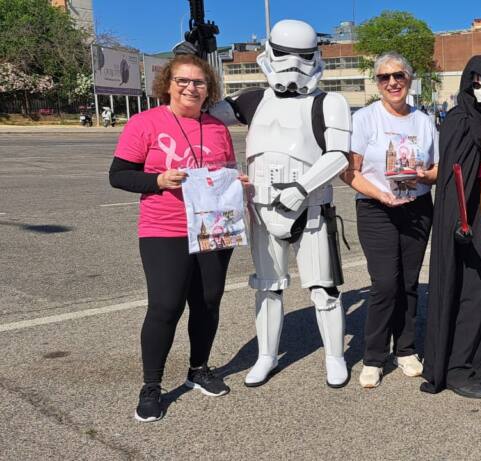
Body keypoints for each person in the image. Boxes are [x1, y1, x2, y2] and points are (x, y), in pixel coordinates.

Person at [208, 20, 352, 389]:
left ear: (316, 57)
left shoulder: (328, 102)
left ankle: (335, 356)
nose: (293, 64)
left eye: (303, 56)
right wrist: (201, 54)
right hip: (260, 209)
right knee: (267, 287)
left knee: (323, 290)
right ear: (268, 53)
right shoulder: (252, 100)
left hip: (310, 209)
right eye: (285, 54)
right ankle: (266, 356)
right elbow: (201, 113)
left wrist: (302, 188)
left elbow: (338, 157)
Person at [109, 53, 245, 422]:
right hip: (164, 228)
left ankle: (198, 368)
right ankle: (151, 385)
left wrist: (237, 182)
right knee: (166, 306)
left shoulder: (217, 128)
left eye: (199, 82)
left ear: (209, 88)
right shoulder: (145, 123)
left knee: (208, 301)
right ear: (167, 85)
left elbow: (226, 173)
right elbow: (119, 175)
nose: (191, 87)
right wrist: (156, 180)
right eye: (182, 81)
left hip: (212, 229)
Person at [340, 52, 437, 388]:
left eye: (399, 75)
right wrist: (381, 194)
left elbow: (438, 169)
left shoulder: (424, 121)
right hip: (376, 207)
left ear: (409, 78)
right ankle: (374, 355)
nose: (393, 82)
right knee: (384, 283)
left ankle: (406, 348)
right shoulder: (365, 119)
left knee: (409, 282)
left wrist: (425, 175)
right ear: (377, 83)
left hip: (417, 207)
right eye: (385, 77)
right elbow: (348, 171)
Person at [420, 55, 481, 399]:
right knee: (463, 290)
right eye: (477, 83)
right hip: (460, 221)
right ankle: (455, 367)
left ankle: (479, 351)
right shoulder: (459, 120)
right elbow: (454, 174)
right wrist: (460, 220)